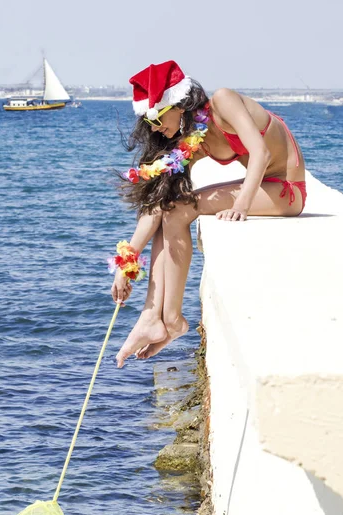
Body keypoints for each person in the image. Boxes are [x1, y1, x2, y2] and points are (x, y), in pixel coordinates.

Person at [111, 60, 306, 368]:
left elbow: (261, 152)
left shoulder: (223, 102)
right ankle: (155, 316)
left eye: (158, 117)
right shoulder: (192, 141)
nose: (156, 128)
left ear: (179, 103)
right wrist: (126, 262)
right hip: (262, 185)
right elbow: (157, 202)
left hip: (286, 190)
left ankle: (169, 319)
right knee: (169, 205)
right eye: (149, 122)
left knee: (180, 208)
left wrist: (240, 205)